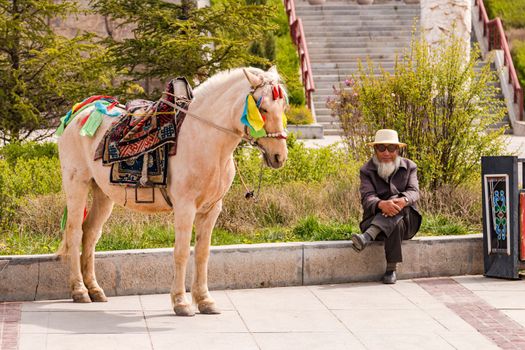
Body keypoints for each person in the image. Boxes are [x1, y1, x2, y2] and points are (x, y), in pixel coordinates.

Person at [352, 129, 422, 284]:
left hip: (407, 223)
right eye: (381, 148)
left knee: (397, 202)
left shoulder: (410, 166)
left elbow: (414, 192)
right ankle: (391, 270)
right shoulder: (366, 170)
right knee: (394, 218)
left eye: (391, 148)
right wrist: (381, 204)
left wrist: (402, 201)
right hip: (376, 220)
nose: (386, 153)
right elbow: (367, 197)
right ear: (375, 150)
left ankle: (367, 237)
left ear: (397, 149)